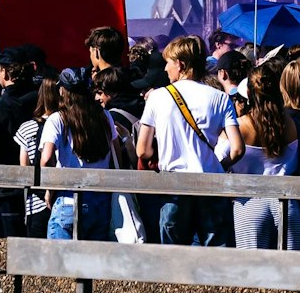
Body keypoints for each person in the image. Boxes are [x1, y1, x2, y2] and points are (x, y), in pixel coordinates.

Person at [136, 35, 242, 246]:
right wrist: (219, 165)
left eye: (168, 62)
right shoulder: (220, 97)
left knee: (174, 256)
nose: (165, 69)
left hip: (174, 186)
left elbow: (142, 151)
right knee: (216, 252)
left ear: (180, 64)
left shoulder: (157, 97)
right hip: (210, 184)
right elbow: (237, 149)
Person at [229, 60, 300, 250]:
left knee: (252, 267)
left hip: (248, 204)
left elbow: (218, 160)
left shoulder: (238, 127)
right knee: (293, 266)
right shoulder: (292, 125)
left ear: (248, 93)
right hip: (286, 202)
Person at [40, 78, 117, 240]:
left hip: (68, 198)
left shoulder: (58, 119)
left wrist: (50, 188)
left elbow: (46, 159)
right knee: (93, 254)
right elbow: (116, 153)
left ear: (63, 91)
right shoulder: (104, 116)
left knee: (60, 255)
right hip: (100, 199)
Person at [15, 79, 63, 236]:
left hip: (36, 203)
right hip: (64, 199)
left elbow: (24, 168)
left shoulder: (27, 127)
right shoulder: (66, 124)